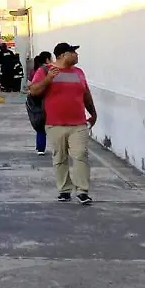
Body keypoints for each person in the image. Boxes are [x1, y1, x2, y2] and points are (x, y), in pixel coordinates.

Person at [28, 42, 97, 205]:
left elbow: (86, 94)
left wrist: (93, 113)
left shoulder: (79, 72)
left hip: (78, 123)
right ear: (62, 55)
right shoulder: (45, 70)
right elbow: (34, 91)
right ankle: (65, 190)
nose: (77, 55)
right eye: (73, 52)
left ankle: (82, 191)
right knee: (60, 157)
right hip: (54, 123)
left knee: (80, 155)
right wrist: (48, 79)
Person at [26, 52, 53, 155]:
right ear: (47, 59)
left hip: (35, 101)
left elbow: (29, 84)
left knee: (40, 125)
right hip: (45, 100)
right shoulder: (47, 71)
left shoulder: (34, 71)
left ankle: (40, 148)